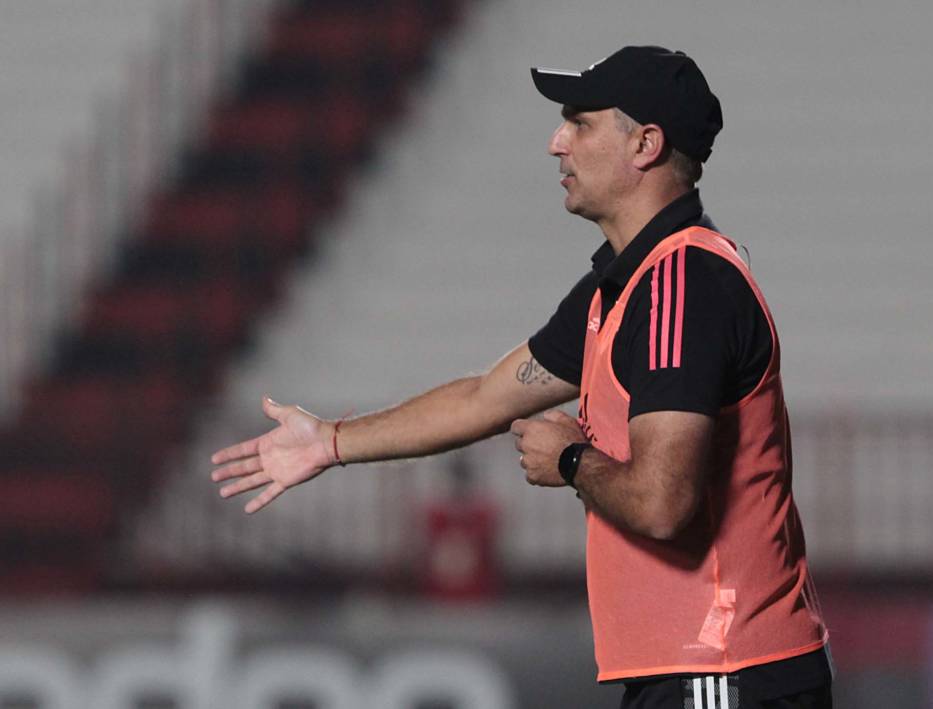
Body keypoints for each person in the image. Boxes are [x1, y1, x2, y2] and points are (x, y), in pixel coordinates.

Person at [211, 46, 832, 708]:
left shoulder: (682, 285)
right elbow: (485, 398)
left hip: (725, 666)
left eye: (580, 123)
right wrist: (331, 442)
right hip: (699, 668)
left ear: (645, 145)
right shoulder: (625, 286)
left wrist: (571, 459)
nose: (556, 143)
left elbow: (662, 503)